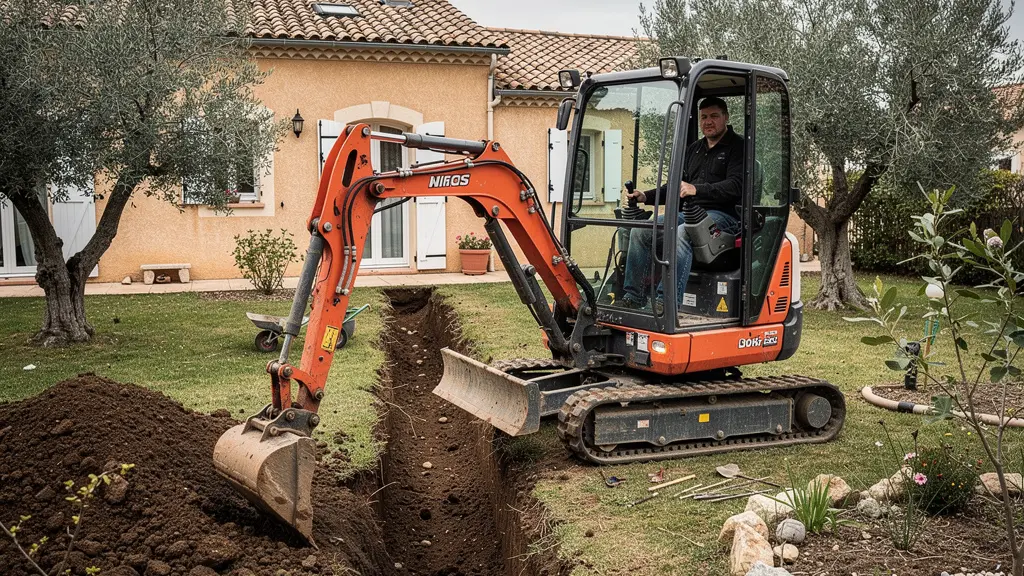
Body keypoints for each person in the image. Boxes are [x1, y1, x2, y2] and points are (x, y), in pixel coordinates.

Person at [619, 96, 744, 314]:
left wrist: (698, 189)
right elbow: (676, 187)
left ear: (726, 117)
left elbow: (736, 186)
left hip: (724, 218)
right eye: (704, 117)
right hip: (690, 213)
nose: (708, 122)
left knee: (682, 232)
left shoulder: (738, 147)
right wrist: (644, 196)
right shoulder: (693, 150)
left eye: (714, 116)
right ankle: (634, 297)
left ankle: (665, 302)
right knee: (642, 231)